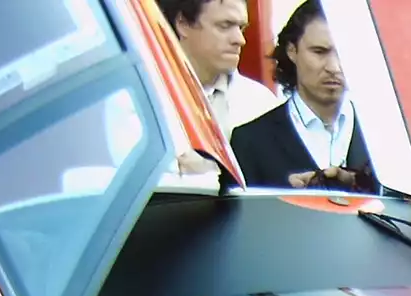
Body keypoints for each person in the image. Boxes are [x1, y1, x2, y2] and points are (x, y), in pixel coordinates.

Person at [231, 2, 375, 193]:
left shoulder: (386, 136)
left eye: (342, 52)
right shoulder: (250, 142)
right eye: (319, 52)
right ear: (292, 50)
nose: (334, 67)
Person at [157, 0, 279, 136]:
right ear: (183, 24)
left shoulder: (261, 102)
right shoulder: (148, 93)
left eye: (241, 28)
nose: (240, 40)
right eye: (225, 26)